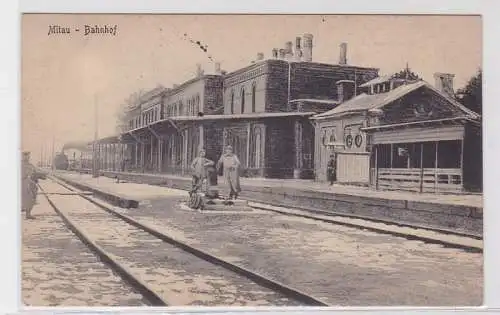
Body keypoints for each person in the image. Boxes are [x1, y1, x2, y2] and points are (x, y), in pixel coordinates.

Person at [21, 151, 38, 219]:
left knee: (31, 196)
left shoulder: (30, 165)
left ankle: (28, 214)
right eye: (25, 155)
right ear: (22, 156)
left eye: (28, 155)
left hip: (26, 181)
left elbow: (34, 173)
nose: (27, 157)